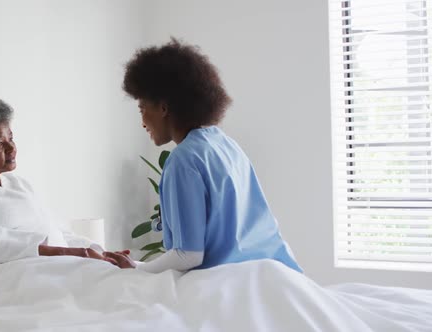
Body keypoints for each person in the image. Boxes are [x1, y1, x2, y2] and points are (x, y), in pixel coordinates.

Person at [104, 39, 302, 274]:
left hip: (232, 284)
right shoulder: (225, 144)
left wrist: (136, 272)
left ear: (163, 108)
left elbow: (188, 255)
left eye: (142, 108)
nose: (142, 121)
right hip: (276, 273)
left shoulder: (183, 160)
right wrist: (138, 264)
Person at [0, 96, 116, 283]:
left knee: (122, 275)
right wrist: (66, 253)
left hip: (50, 268)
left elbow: (56, 232)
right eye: (0, 143)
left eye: (11, 138)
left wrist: (100, 252)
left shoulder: (18, 184)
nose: (12, 148)